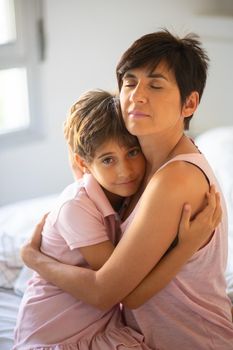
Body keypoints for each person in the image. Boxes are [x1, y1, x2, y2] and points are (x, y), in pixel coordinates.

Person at [21, 29, 233, 349]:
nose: (136, 95)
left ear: (189, 103)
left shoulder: (174, 180)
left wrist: (34, 259)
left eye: (155, 84)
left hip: (193, 339)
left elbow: (109, 293)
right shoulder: (144, 165)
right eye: (129, 82)